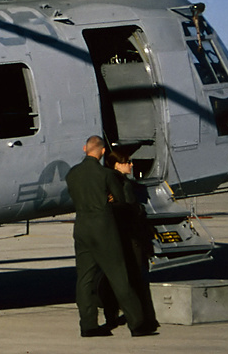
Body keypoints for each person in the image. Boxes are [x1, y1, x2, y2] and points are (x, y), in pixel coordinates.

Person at [65, 136, 155, 337]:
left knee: (85, 278)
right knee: (118, 275)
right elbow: (121, 202)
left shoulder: (72, 174)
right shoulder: (105, 175)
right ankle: (137, 323)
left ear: (84, 148)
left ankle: (88, 325)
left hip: (81, 226)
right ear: (103, 151)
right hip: (103, 227)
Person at [109, 147, 159, 332]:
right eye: (127, 162)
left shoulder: (107, 182)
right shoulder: (125, 184)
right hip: (131, 237)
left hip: (115, 237)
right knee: (137, 278)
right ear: (117, 165)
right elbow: (131, 209)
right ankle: (143, 318)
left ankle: (112, 314)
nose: (131, 164)